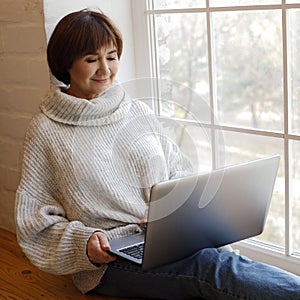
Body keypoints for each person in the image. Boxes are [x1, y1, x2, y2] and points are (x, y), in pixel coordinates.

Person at [15, 9, 300, 300]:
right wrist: (84, 243)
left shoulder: (137, 111)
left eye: (111, 57)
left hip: (167, 239)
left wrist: (170, 206)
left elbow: (179, 170)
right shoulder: (46, 129)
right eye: (91, 59)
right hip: (110, 262)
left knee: (224, 263)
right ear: (66, 64)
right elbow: (35, 222)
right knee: (215, 269)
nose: (105, 69)